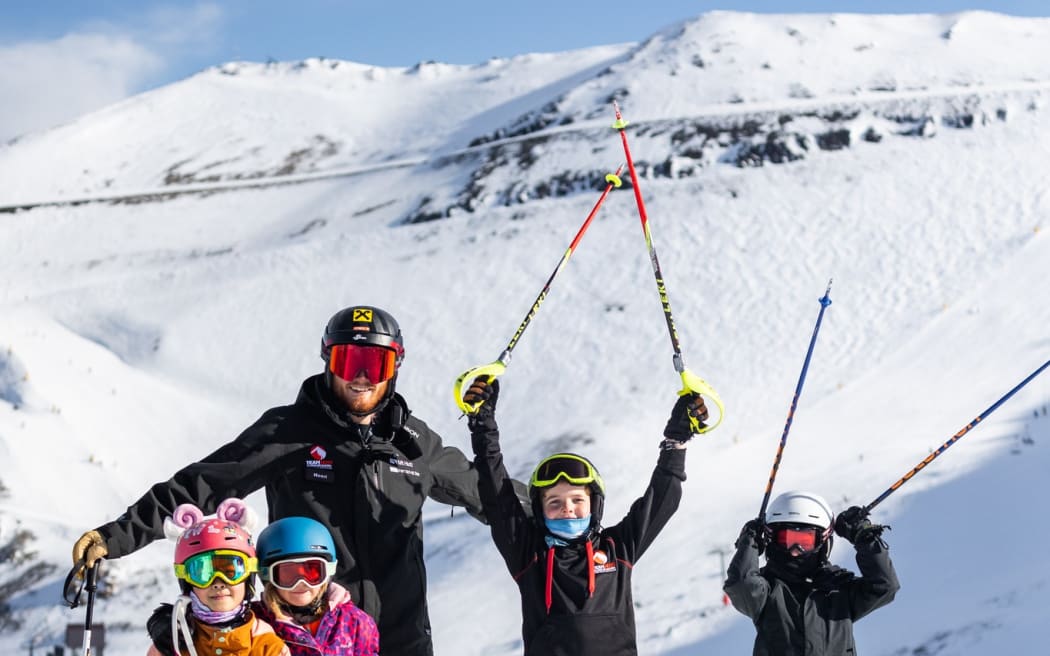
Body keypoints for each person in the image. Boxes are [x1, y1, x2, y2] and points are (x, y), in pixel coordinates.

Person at [73, 305, 520, 656]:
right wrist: (115, 536)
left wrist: (572, 513)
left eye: (375, 364)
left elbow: (493, 496)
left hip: (402, 640)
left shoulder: (414, 443)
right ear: (329, 361)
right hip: (310, 638)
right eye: (349, 360)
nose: (361, 377)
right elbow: (202, 484)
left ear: (395, 367)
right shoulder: (289, 432)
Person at [462, 377, 708, 655]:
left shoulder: (618, 547)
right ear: (540, 511)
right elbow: (498, 498)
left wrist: (676, 442)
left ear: (595, 506)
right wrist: (483, 427)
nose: (567, 508)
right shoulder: (529, 554)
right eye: (554, 502)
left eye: (577, 500)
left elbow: (662, 499)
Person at [724, 490, 900, 656]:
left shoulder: (838, 588)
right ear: (771, 539)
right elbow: (740, 584)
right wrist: (749, 542)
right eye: (786, 539)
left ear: (823, 541)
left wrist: (864, 537)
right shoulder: (767, 590)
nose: (795, 550)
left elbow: (884, 587)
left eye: (804, 541)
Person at [146, 498, 290, 656]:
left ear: (248, 576)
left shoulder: (268, 648)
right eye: (202, 573)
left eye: (230, 571)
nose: (218, 583)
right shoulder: (173, 643)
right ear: (187, 581)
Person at [253, 516, 379, 655]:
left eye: (312, 572)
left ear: (328, 571)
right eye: (288, 574)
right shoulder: (255, 624)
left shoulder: (355, 623)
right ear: (268, 575)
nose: (301, 583)